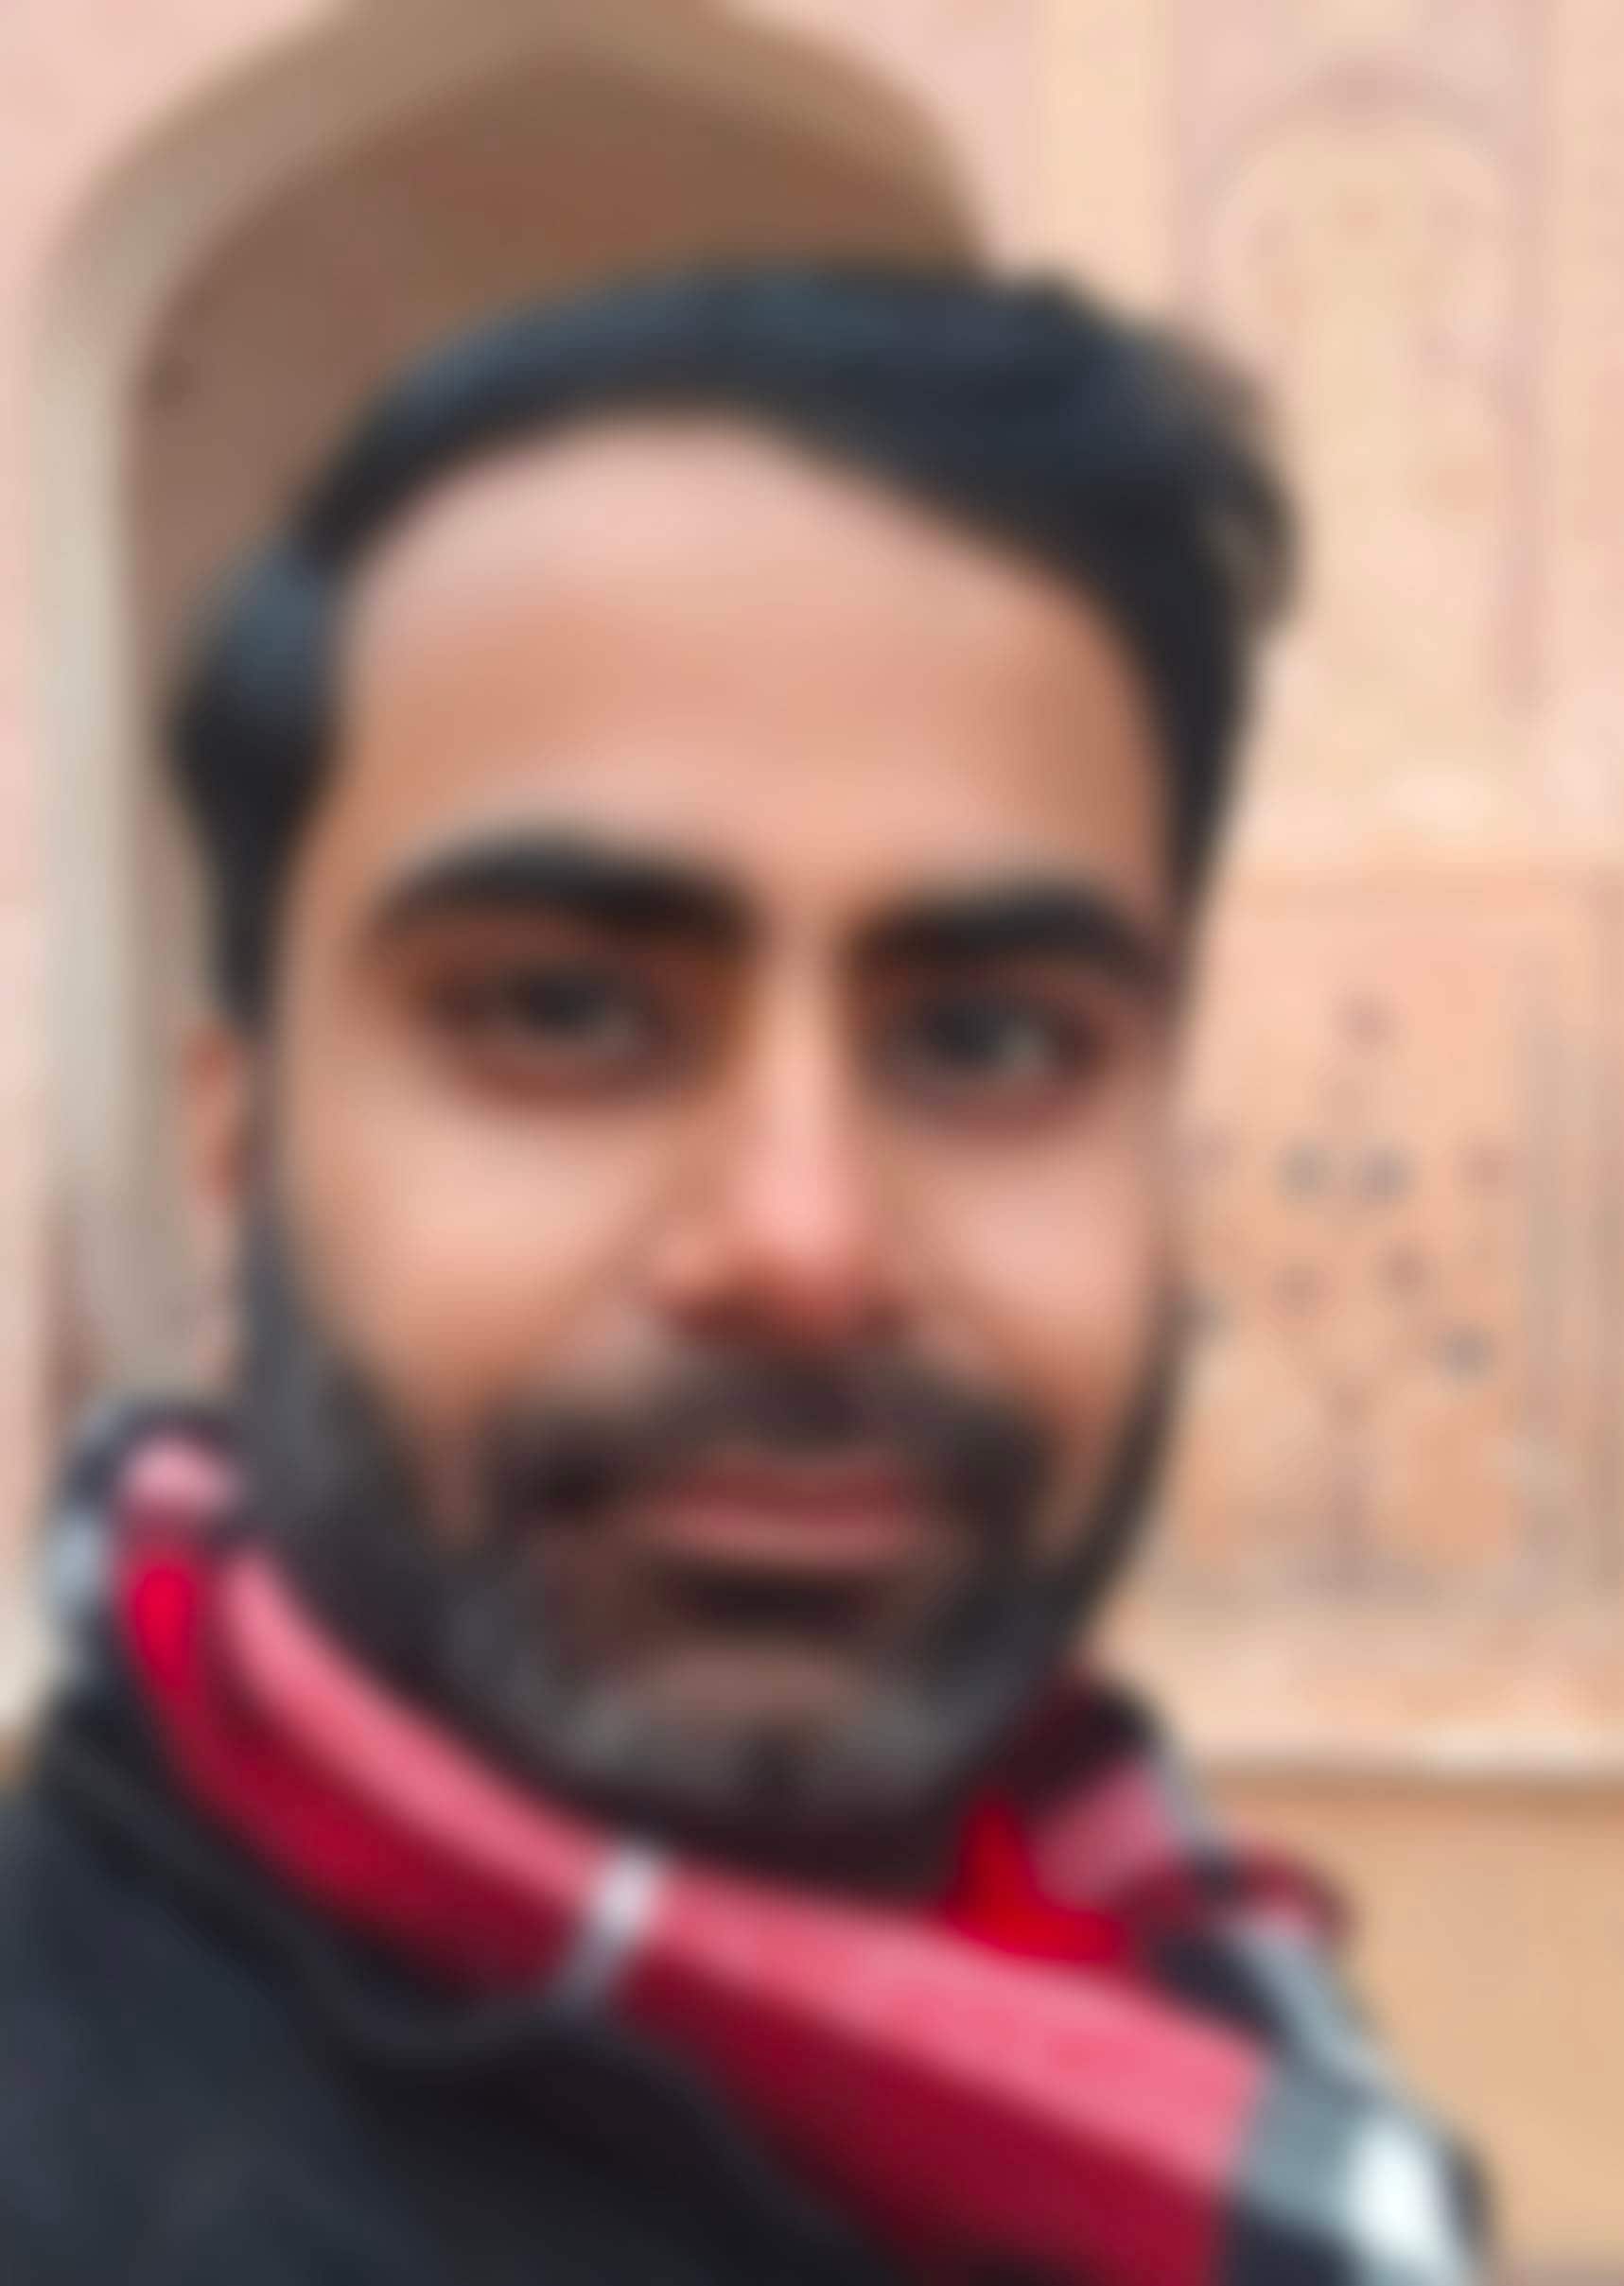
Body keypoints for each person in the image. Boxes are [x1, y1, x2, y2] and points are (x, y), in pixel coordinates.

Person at [0, 264, 1484, 2284]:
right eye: (559, 1010)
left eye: (990, 1041)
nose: (805, 1246)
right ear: (238, 1149)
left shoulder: (1218, 2050)